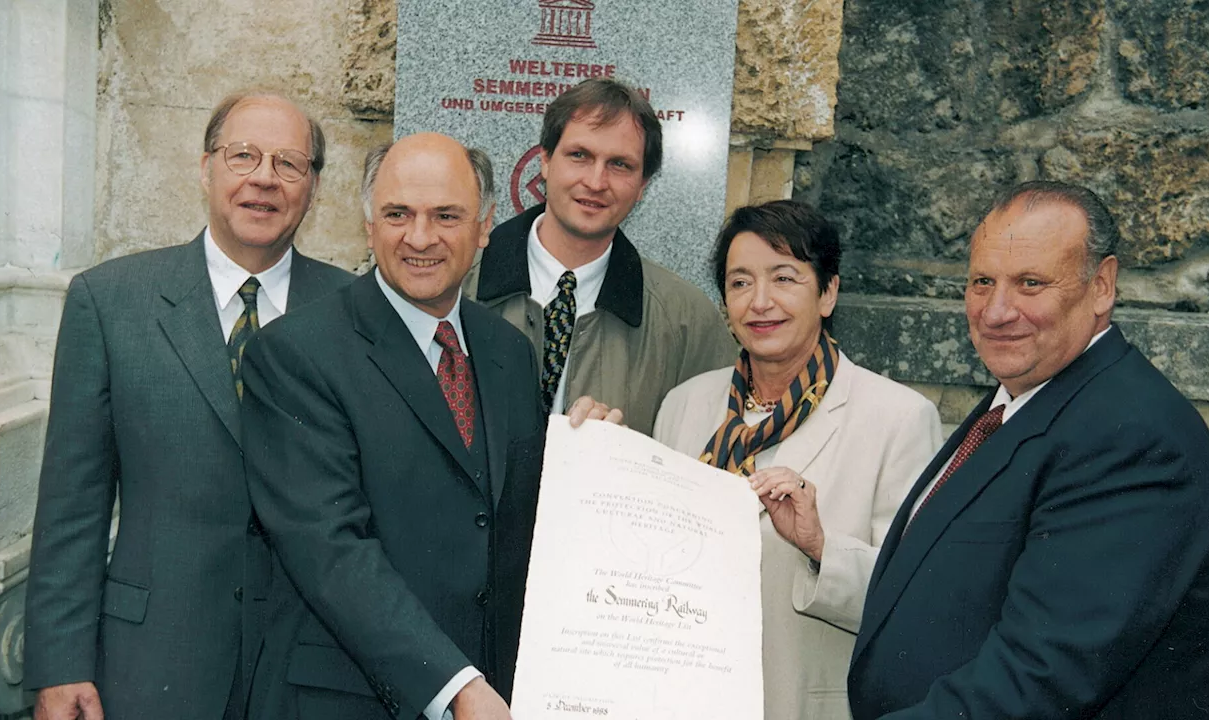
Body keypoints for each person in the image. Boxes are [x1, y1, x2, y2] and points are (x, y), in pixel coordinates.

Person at [22, 92, 353, 719]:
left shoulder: (353, 311)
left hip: (308, 666)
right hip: (152, 660)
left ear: (313, 187)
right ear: (206, 169)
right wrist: (59, 665)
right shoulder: (111, 301)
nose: (264, 178)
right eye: (243, 156)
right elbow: (73, 502)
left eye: (288, 163)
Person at [848, 181, 1209, 719]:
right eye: (981, 282)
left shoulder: (1131, 437)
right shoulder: (1023, 396)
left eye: (1030, 283)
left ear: (1102, 286)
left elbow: (1041, 677)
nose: (997, 311)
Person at [241, 133, 545, 720]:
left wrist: (587, 451)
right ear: (369, 223)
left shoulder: (508, 351)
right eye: (398, 214)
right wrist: (456, 686)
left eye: (446, 216)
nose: (421, 237)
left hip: (493, 692)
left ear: (484, 227)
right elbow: (329, 549)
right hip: (351, 698)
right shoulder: (295, 353)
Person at [652, 199, 943, 720]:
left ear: (827, 292)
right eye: (740, 283)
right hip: (685, 696)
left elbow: (918, 597)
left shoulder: (898, 418)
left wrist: (820, 546)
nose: (760, 302)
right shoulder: (684, 404)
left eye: (784, 278)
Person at [463, 77, 736, 435]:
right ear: (545, 161)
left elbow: (718, 453)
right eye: (580, 155)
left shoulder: (687, 323)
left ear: (643, 186)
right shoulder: (457, 283)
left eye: (620, 165)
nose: (595, 181)